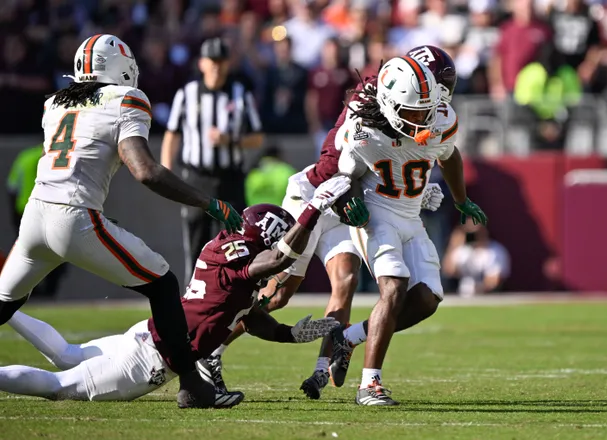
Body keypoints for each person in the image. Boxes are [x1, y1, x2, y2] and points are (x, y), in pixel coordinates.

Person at [0, 34, 243, 409]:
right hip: (74, 217)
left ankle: (193, 385)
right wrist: (208, 202)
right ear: (121, 67)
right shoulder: (126, 99)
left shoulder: (54, 104)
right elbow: (146, 171)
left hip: (35, 217)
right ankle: (193, 386)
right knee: (163, 284)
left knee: (3, 303)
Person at [197, 46, 451, 402]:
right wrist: (353, 201)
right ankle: (212, 350)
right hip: (318, 196)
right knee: (279, 292)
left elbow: (396, 164)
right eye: (433, 88)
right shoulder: (369, 112)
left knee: (345, 279)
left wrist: (415, 192)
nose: (436, 101)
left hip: (352, 199)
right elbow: (333, 169)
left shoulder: (412, 109)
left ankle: (324, 365)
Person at [0, 178, 353, 404]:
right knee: (57, 386)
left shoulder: (232, 255)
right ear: (267, 237)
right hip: (152, 359)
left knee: (67, 353)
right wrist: (313, 209)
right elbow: (276, 260)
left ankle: (7, 309)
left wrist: (290, 335)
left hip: (148, 335)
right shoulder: (241, 257)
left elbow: (252, 318)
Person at [334, 53, 488, 405]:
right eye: (414, 112)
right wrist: (352, 203)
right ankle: (369, 385)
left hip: (411, 215)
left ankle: (349, 338)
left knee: (428, 299)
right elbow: (347, 176)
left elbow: (449, 155)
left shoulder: (438, 117)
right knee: (394, 287)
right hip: (377, 212)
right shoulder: (363, 130)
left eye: (426, 108)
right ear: (389, 105)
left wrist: (461, 199)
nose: (423, 118)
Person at [161, 37, 264, 283]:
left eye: (221, 60)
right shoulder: (187, 94)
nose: (216, 66)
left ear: (228, 64)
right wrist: (166, 171)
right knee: (196, 242)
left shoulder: (240, 95)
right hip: (196, 178)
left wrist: (231, 140)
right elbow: (172, 134)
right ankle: (192, 296)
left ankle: (233, 295)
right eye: (212, 60)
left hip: (230, 178)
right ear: (202, 63)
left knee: (234, 243)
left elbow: (258, 138)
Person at [6, 144, 68, 298]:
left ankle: (26, 291)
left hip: (24, 210)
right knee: (57, 251)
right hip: (53, 209)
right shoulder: (59, 156)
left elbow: (12, 187)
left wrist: (13, 213)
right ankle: (48, 290)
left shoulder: (25, 157)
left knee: (26, 252)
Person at [442, 219, 510, 297]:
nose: (473, 234)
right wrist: (454, 244)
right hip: (462, 297)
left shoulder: (495, 251)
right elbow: (448, 271)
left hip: (488, 296)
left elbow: (494, 281)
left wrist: (476, 289)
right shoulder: (462, 251)